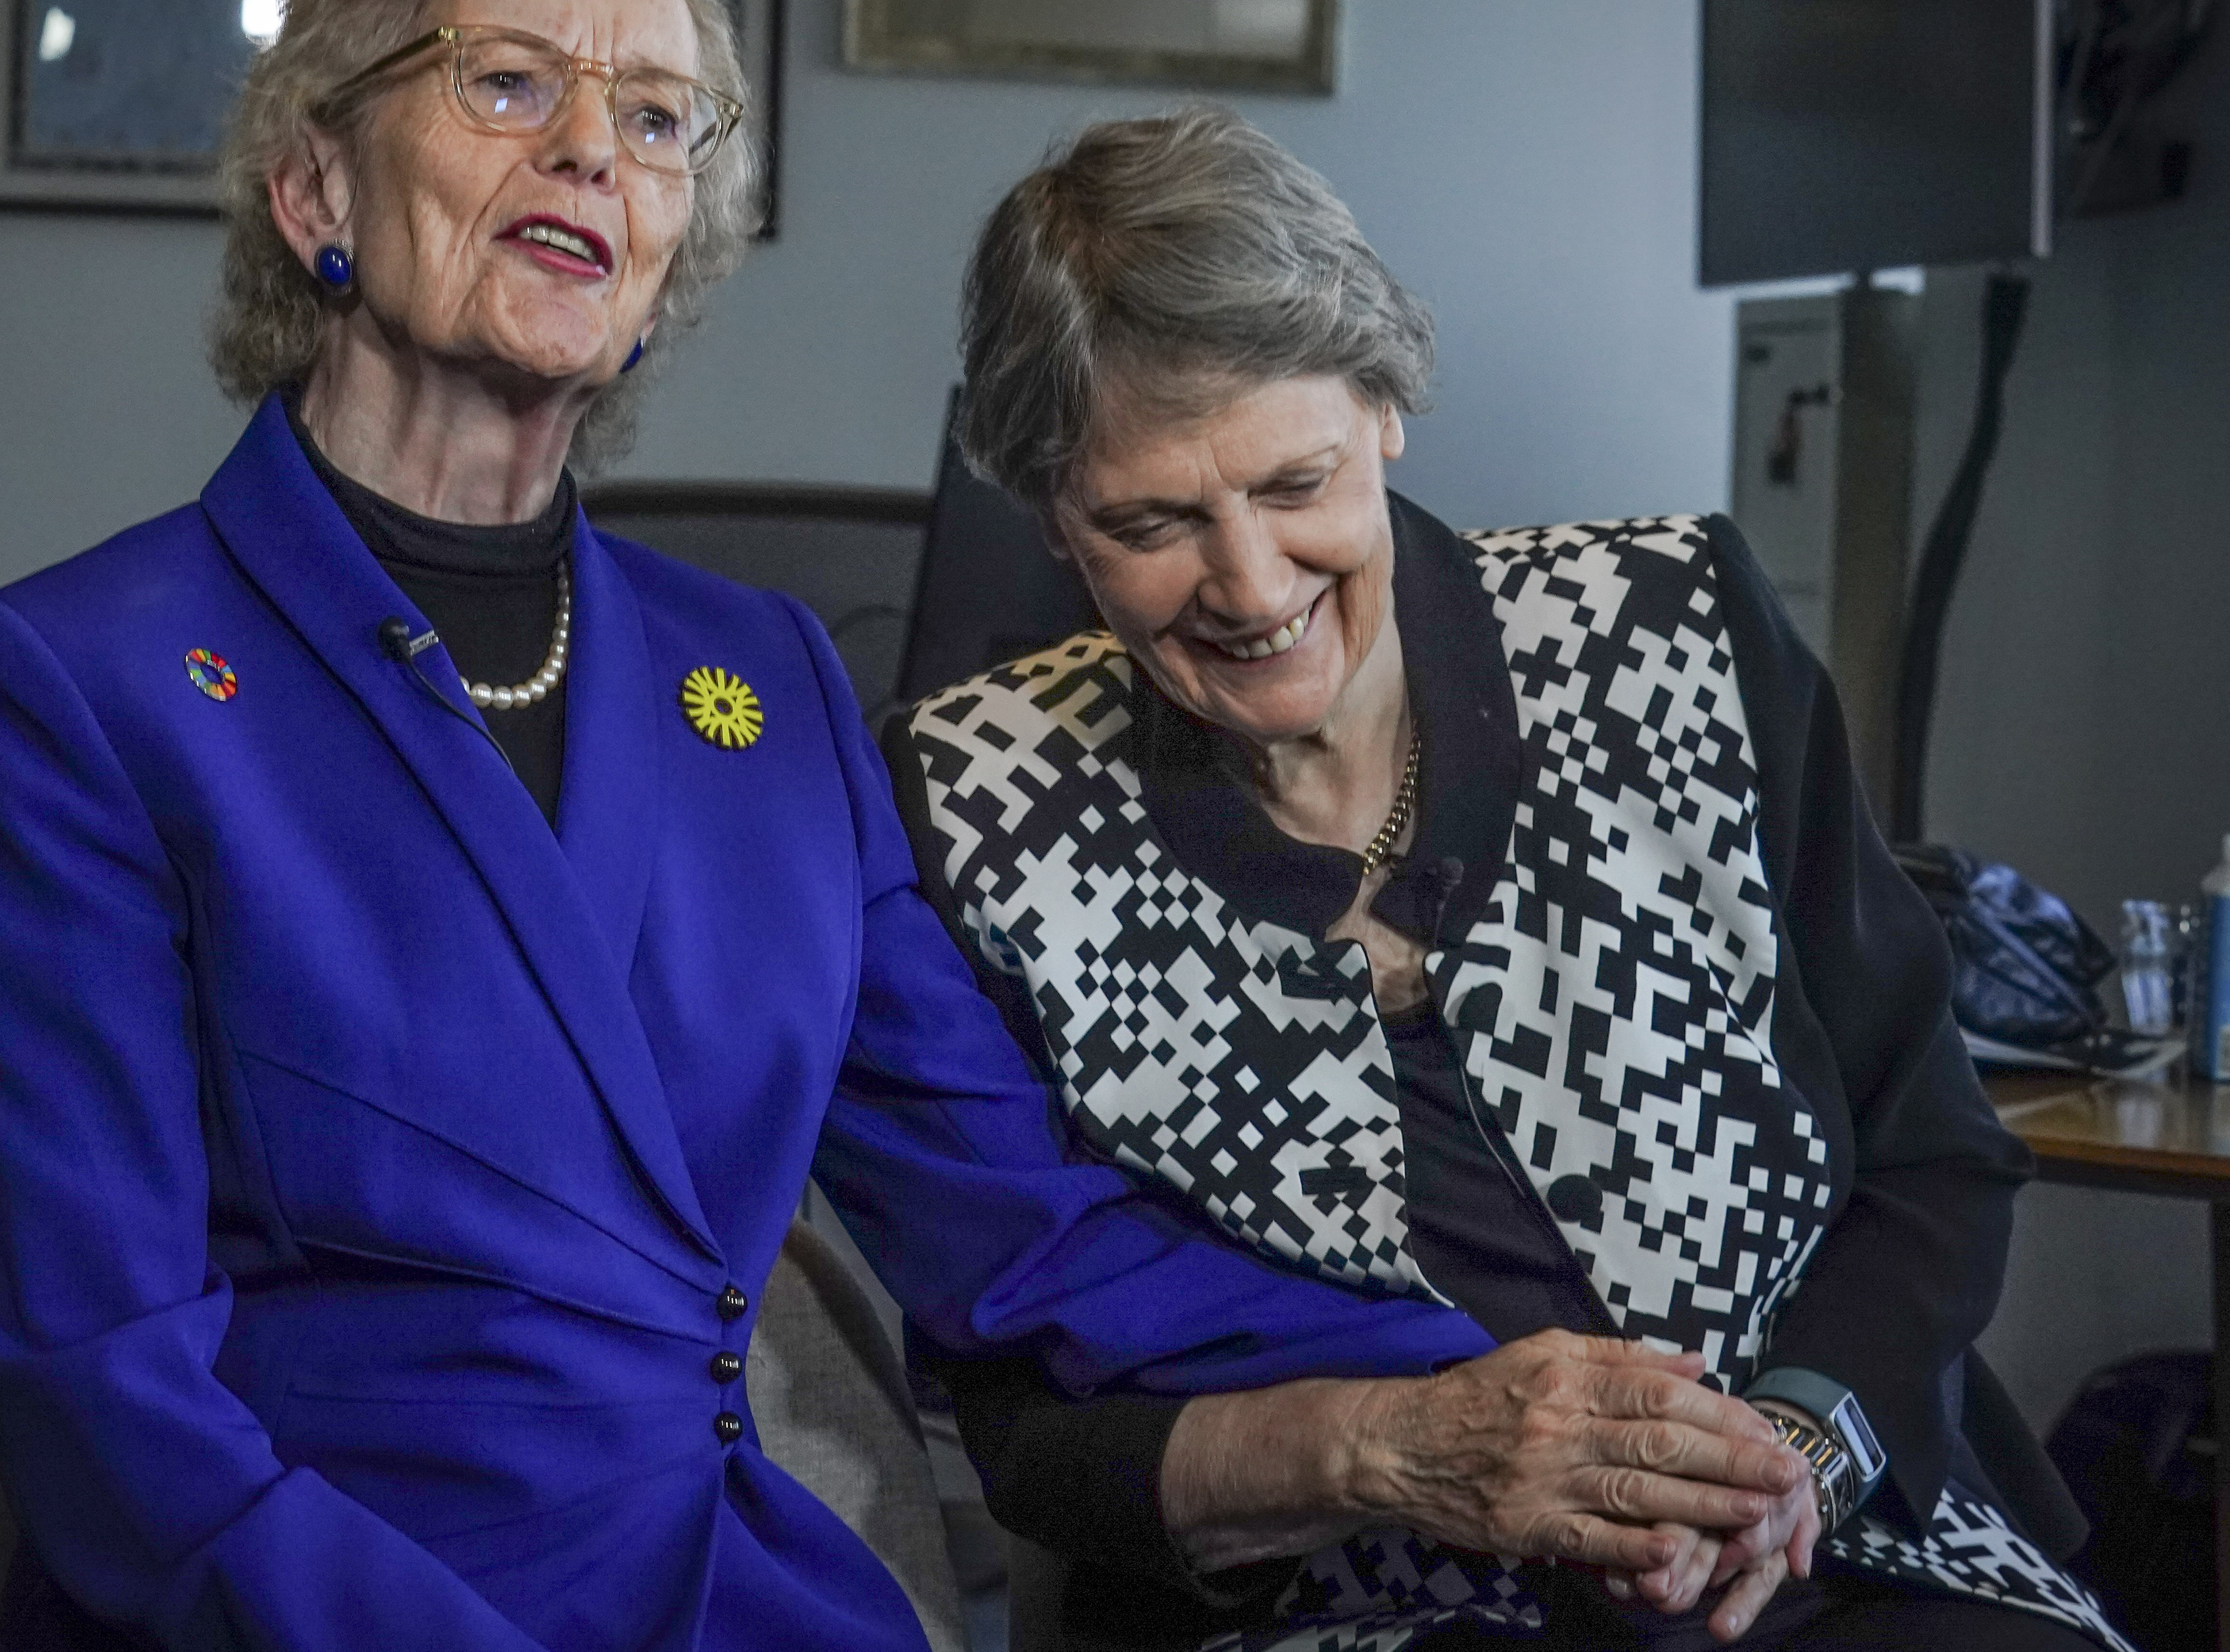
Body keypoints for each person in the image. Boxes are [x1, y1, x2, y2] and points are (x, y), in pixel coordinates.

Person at [0, 0, 1611, 1652]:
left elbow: (1026, 1224)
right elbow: (104, 1398)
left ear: (666, 254)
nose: (592, 148)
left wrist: (1501, 1394)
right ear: (318, 184)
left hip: (742, 1603)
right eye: (507, 83)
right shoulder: (69, 683)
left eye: (656, 120)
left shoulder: (771, 683)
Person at [886, 106, 2130, 1652]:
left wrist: (1790, 1455)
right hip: (1354, 1607)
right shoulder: (974, 807)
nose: (1252, 586)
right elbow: (1027, 1425)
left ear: (1386, 405)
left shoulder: (1670, 631)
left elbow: (1933, 1159)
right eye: (1152, 523)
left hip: (1837, 1545)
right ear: (1055, 519)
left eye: (1295, 483)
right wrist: (1395, 1458)